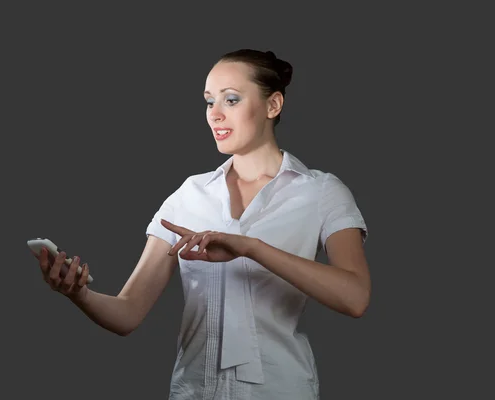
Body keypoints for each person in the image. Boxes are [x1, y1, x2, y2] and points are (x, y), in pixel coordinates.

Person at [33, 49, 371, 400]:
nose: (216, 115)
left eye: (232, 99)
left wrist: (250, 248)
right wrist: (78, 294)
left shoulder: (321, 192)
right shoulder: (189, 195)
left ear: (273, 105)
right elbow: (129, 311)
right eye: (210, 102)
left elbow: (355, 297)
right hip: (193, 393)